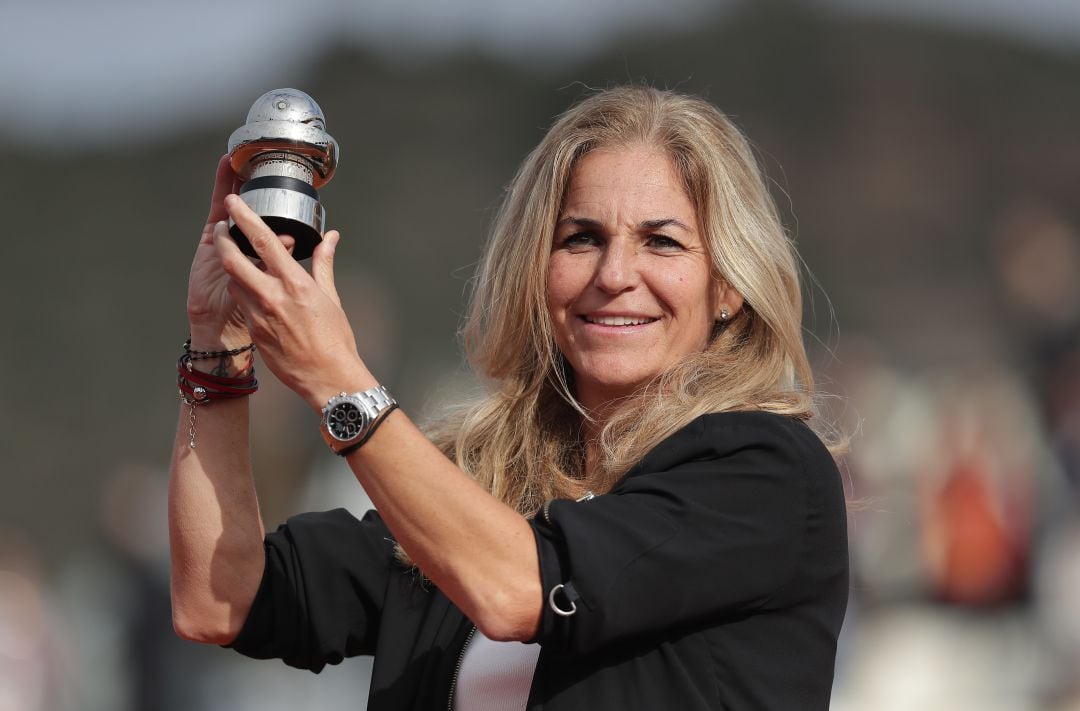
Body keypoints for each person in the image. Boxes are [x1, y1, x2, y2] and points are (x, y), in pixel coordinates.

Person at [168, 86, 849, 710]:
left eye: (661, 241)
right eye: (581, 238)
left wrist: (338, 380)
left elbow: (520, 589)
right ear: (537, 268)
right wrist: (217, 348)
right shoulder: (481, 489)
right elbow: (219, 598)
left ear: (728, 285)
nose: (614, 275)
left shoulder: (766, 472)